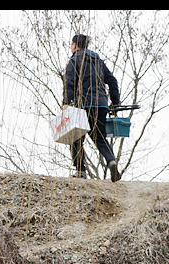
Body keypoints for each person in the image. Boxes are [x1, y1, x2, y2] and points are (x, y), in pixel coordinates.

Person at [63, 34, 121, 182]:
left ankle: (80, 171)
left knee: (75, 137)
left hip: (83, 105)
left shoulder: (74, 60)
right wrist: (115, 103)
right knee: (100, 137)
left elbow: (69, 83)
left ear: (75, 45)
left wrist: (66, 102)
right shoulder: (98, 61)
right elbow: (112, 81)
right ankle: (111, 161)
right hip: (101, 104)